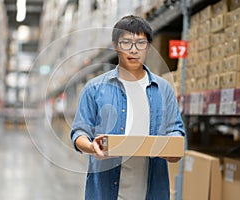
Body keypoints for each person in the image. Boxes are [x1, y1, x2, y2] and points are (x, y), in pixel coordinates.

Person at [70, 15, 185, 200]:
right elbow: (79, 132)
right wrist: (92, 147)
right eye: (126, 43)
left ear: (148, 47)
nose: (134, 50)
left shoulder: (163, 89)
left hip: (151, 191)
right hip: (106, 190)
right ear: (115, 45)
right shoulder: (94, 88)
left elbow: (175, 131)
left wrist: (172, 149)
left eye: (140, 43)